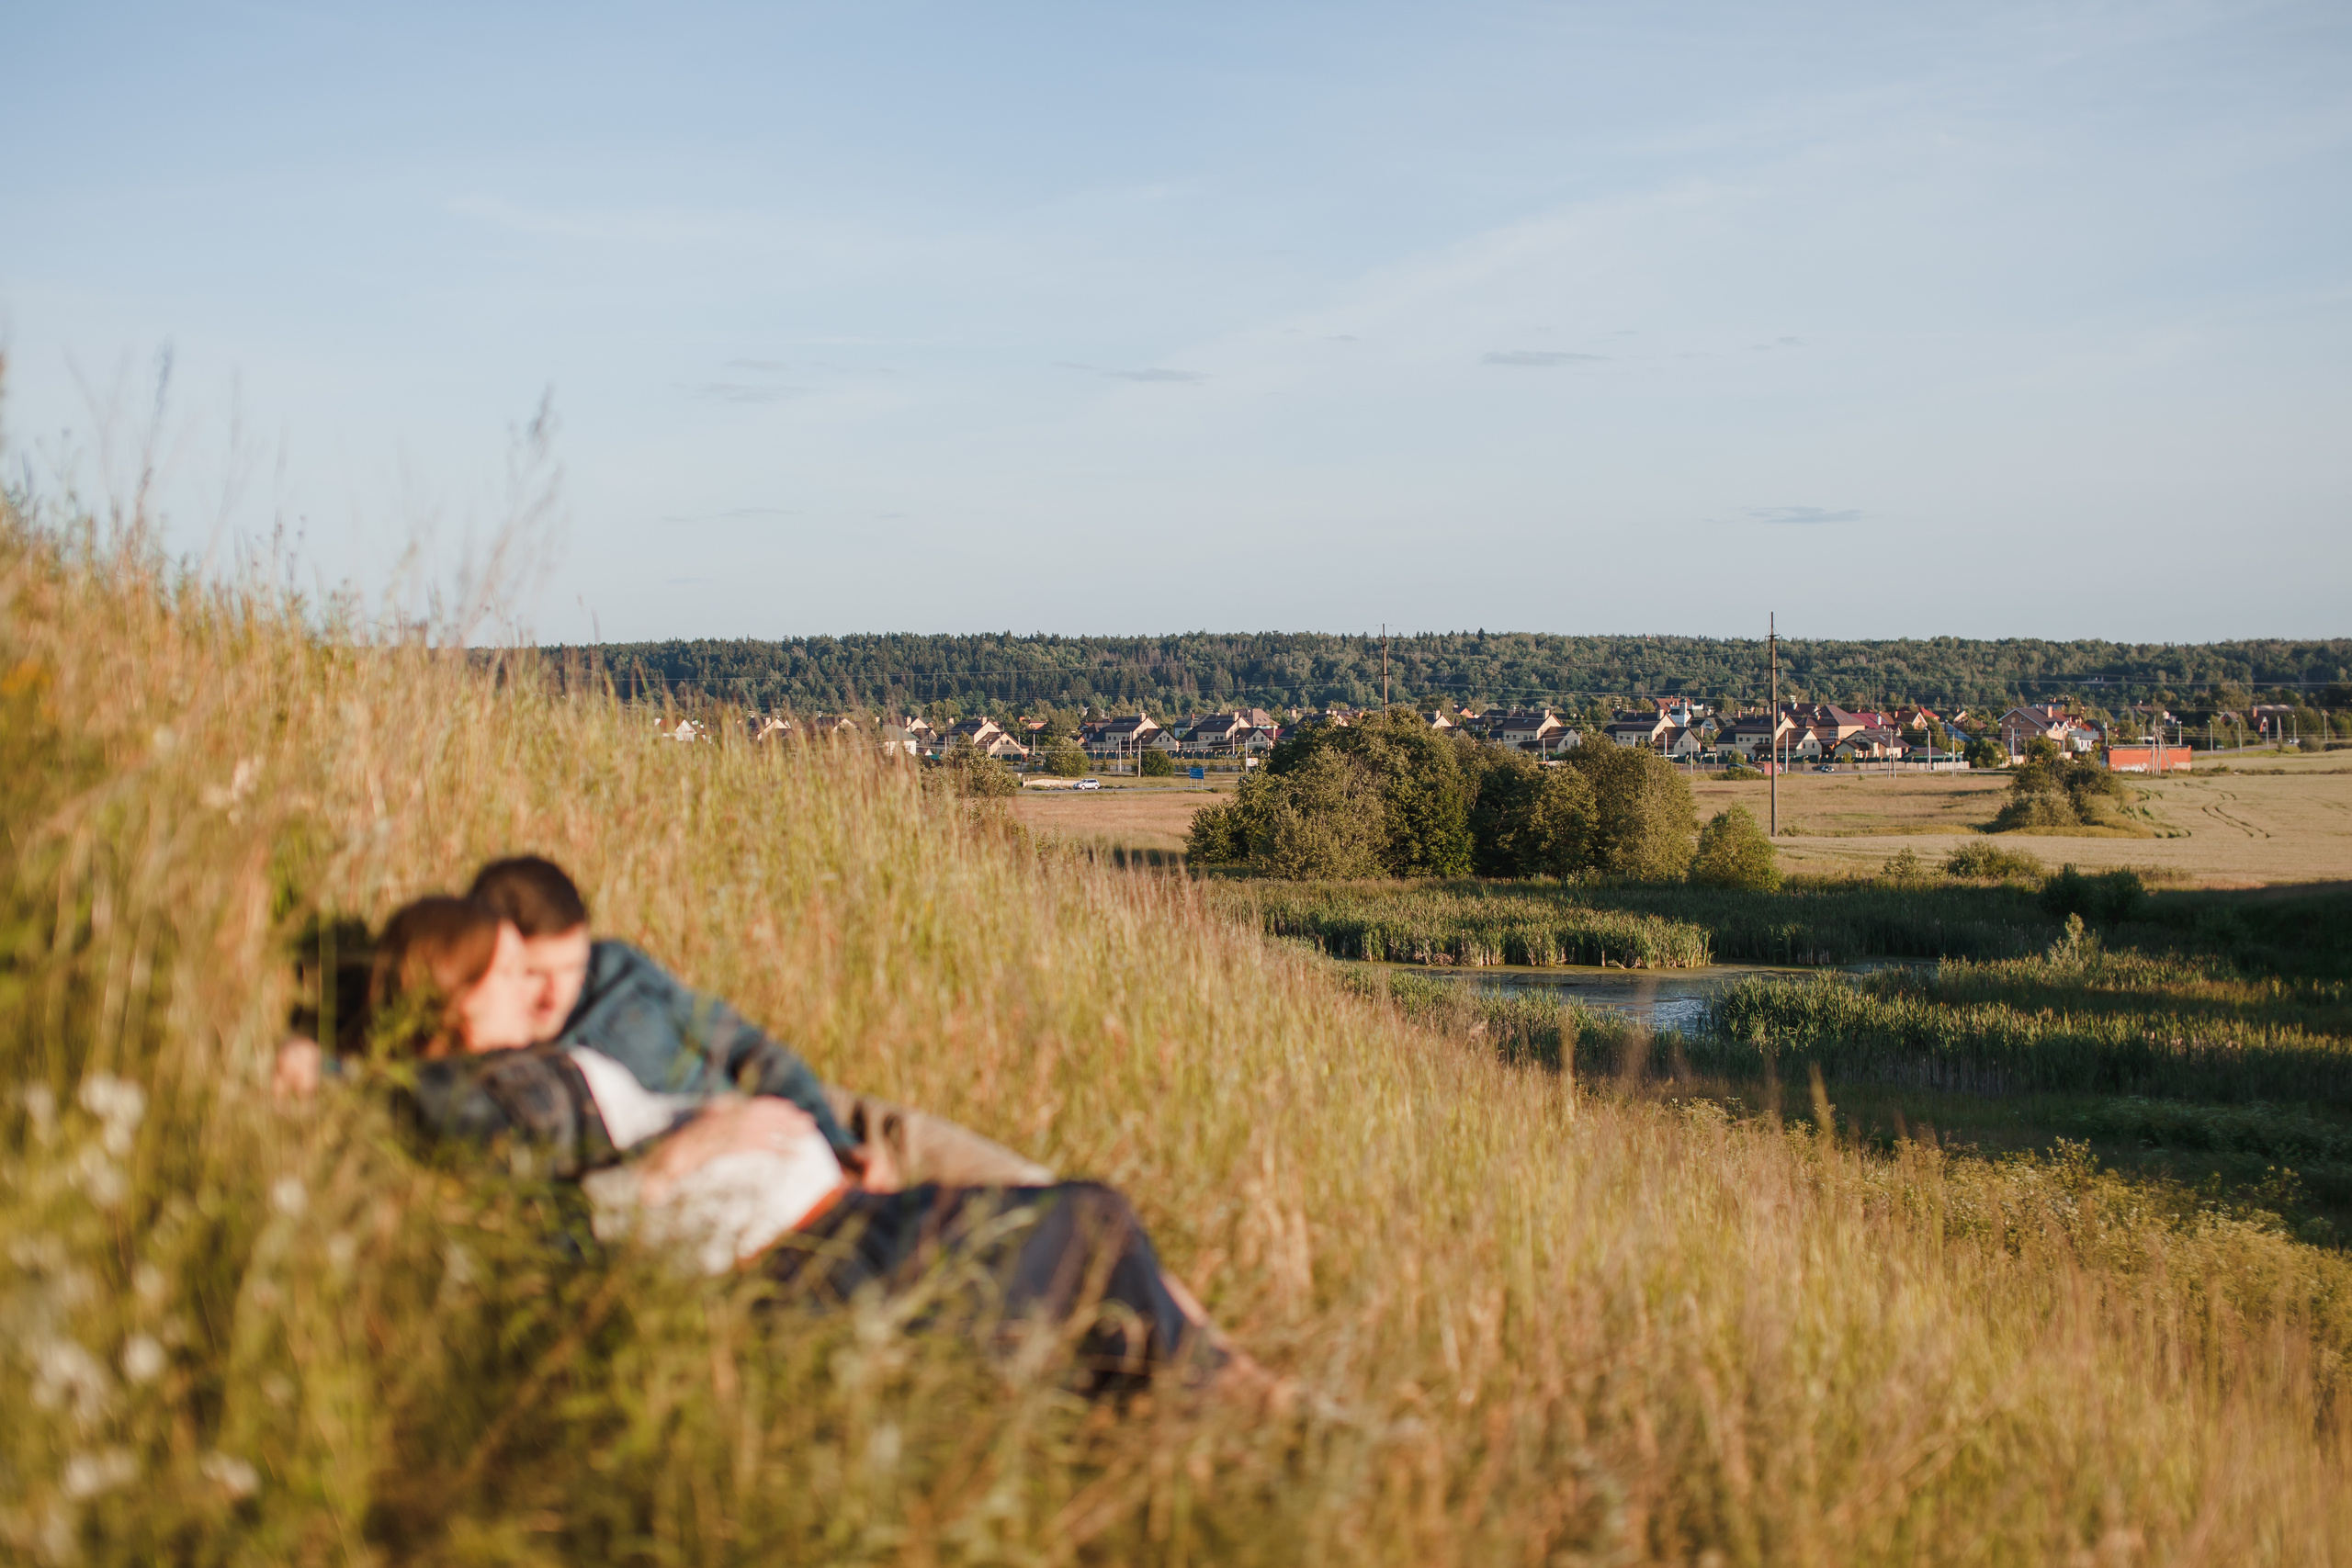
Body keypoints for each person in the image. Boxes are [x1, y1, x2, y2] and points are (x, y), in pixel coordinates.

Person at [378, 894, 1224, 1396]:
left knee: (1088, 1222)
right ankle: (1207, 1410)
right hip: (807, 1255)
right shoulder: (508, 1093)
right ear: (452, 1004)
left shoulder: (548, 1056)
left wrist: (812, 1134)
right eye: (512, 979)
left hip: (838, 1206)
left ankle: (1199, 1403)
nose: (542, 998)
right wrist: (687, 1153)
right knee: (1087, 1225)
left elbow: (749, 1049)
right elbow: (557, 1234)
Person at [464, 856, 1051, 1190]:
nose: (553, 995)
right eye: (535, 974)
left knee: (1036, 1189)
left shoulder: (617, 971)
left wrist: (838, 1139)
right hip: (753, 1170)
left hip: (818, 1112)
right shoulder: (502, 1063)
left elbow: (746, 1048)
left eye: (569, 967)